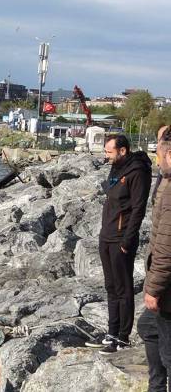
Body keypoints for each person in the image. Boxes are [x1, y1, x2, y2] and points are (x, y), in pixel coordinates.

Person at [88, 134, 152, 354]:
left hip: (121, 239)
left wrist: (127, 239)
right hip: (106, 235)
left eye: (109, 152)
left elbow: (138, 209)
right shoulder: (116, 168)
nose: (106, 156)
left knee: (123, 289)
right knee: (111, 287)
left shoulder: (137, 172)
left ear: (122, 150)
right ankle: (111, 333)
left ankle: (123, 338)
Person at [141, 126, 171, 390]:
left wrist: (154, 287)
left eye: (159, 151)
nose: (157, 158)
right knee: (148, 328)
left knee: (170, 352)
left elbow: (166, 245)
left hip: (167, 287)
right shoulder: (166, 180)